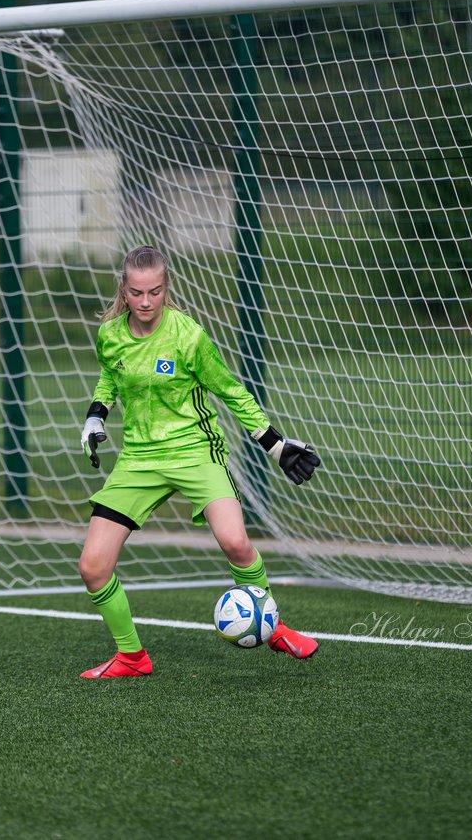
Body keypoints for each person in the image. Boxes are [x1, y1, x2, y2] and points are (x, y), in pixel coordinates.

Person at [77, 245, 322, 679]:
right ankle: (132, 658)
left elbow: (231, 391)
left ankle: (275, 626)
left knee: (235, 543)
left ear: (166, 287)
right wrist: (97, 414)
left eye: (155, 291)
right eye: (137, 293)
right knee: (93, 566)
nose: (147, 301)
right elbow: (110, 375)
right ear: (124, 289)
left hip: (195, 450)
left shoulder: (188, 335)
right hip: (138, 458)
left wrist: (274, 444)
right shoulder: (110, 334)